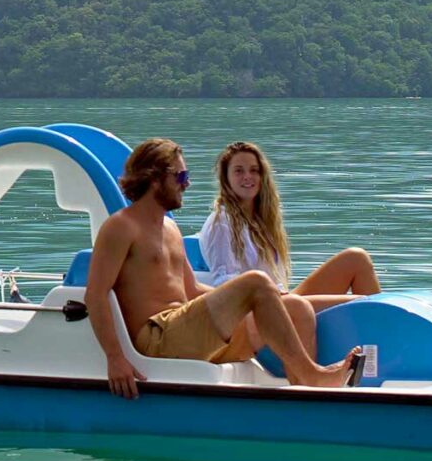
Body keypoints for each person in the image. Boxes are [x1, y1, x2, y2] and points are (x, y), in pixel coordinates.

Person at [85, 137, 365, 397]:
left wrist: (263, 299)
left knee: (294, 307)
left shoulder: (169, 228)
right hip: (158, 337)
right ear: (155, 179)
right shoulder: (121, 226)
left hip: (189, 332)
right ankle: (312, 376)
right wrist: (115, 358)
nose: (187, 184)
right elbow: (96, 295)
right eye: (181, 176)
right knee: (256, 281)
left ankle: (302, 395)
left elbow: (192, 289)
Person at [196, 139, 382, 310]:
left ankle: (380, 340)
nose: (247, 176)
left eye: (254, 170)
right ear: (225, 178)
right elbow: (225, 283)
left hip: (281, 300)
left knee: (357, 259)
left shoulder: (261, 220)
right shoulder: (222, 222)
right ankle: (377, 339)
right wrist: (269, 293)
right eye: (238, 171)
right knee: (362, 303)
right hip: (259, 309)